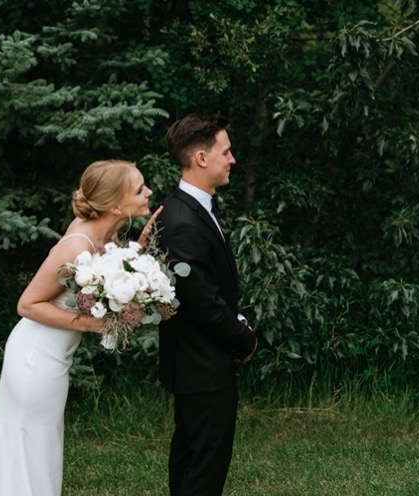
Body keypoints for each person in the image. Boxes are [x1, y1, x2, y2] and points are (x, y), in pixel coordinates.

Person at [0, 160, 161, 495]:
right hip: (36, 358)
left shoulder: (108, 232)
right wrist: (93, 324)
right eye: (139, 189)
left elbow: (109, 280)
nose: (148, 193)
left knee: (33, 443)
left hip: (54, 357)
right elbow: (28, 304)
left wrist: (137, 256)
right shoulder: (78, 244)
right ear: (116, 205)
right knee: (29, 444)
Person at [154, 114, 258, 496]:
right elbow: (200, 300)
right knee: (203, 467)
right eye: (225, 151)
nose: (232, 159)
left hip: (199, 362)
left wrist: (238, 318)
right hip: (202, 365)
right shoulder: (182, 220)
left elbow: (210, 288)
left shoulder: (192, 208)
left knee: (192, 459)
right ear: (201, 158)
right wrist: (244, 342)